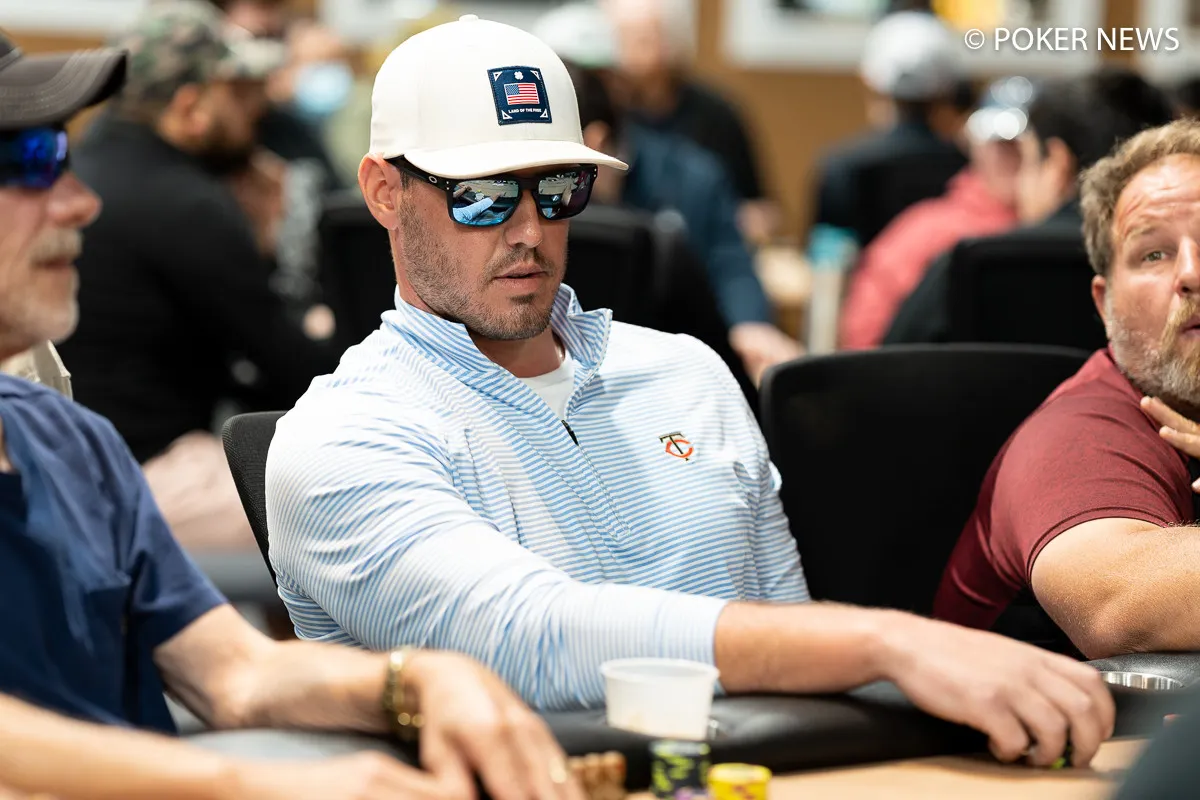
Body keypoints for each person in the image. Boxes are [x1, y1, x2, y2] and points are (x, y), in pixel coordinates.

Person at [267, 14, 1115, 769]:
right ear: (384, 192)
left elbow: (786, 626)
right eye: (482, 198)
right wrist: (888, 642)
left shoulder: (686, 372)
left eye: (558, 189)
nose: (530, 231)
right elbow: (527, 641)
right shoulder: (341, 437)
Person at [0, 29, 573, 800]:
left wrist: (418, 681)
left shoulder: (71, 442)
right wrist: (249, 783)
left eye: (63, 158)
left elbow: (235, 673)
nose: (81, 201)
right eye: (27, 163)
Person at [57, 0, 343, 552]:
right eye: (235, 92)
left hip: (67, 460)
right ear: (191, 107)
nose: (254, 110)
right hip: (142, 475)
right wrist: (272, 250)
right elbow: (298, 378)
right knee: (359, 506)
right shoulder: (188, 204)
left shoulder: (77, 173)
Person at [933, 118, 1200, 661]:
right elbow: (1121, 610)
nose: (1192, 273)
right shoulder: (1079, 435)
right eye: (1154, 253)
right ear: (1105, 304)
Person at [884, 68, 1176, 345]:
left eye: (1026, 157)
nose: (1018, 177)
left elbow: (888, 364)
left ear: (1058, 163)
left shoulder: (966, 262)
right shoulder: (1183, 267)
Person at [838, 77, 1028, 350]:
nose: (1009, 155)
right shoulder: (924, 231)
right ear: (973, 143)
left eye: (1023, 144)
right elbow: (867, 339)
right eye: (997, 143)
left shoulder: (1081, 231)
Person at [602, 0, 778, 243]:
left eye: (641, 40)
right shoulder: (609, 114)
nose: (625, 55)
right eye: (620, 40)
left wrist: (721, 217)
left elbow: (762, 211)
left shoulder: (717, 115)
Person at [808, 10, 968, 248]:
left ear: (869, 81)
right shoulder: (967, 166)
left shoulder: (842, 167)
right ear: (948, 91)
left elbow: (828, 260)